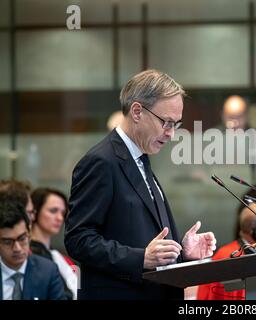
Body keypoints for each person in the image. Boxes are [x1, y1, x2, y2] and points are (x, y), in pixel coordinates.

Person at [64, 69, 216, 300]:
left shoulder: (140, 159)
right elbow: (78, 239)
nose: (171, 134)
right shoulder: (101, 161)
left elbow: (143, 236)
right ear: (137, 111)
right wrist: (140, 258)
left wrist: (181, 253)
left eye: (176, 124)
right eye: (166, 122)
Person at [0, 200, 66, 300]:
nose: (17, 248)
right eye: (8, 242)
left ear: (29, 234)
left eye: (22, 239)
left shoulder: (48, 271)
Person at [30, 187, 77, 299]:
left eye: (63, 213)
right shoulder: (27, 254)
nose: (60, 218)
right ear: (34, 212)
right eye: (53, 211)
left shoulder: (59, 255)